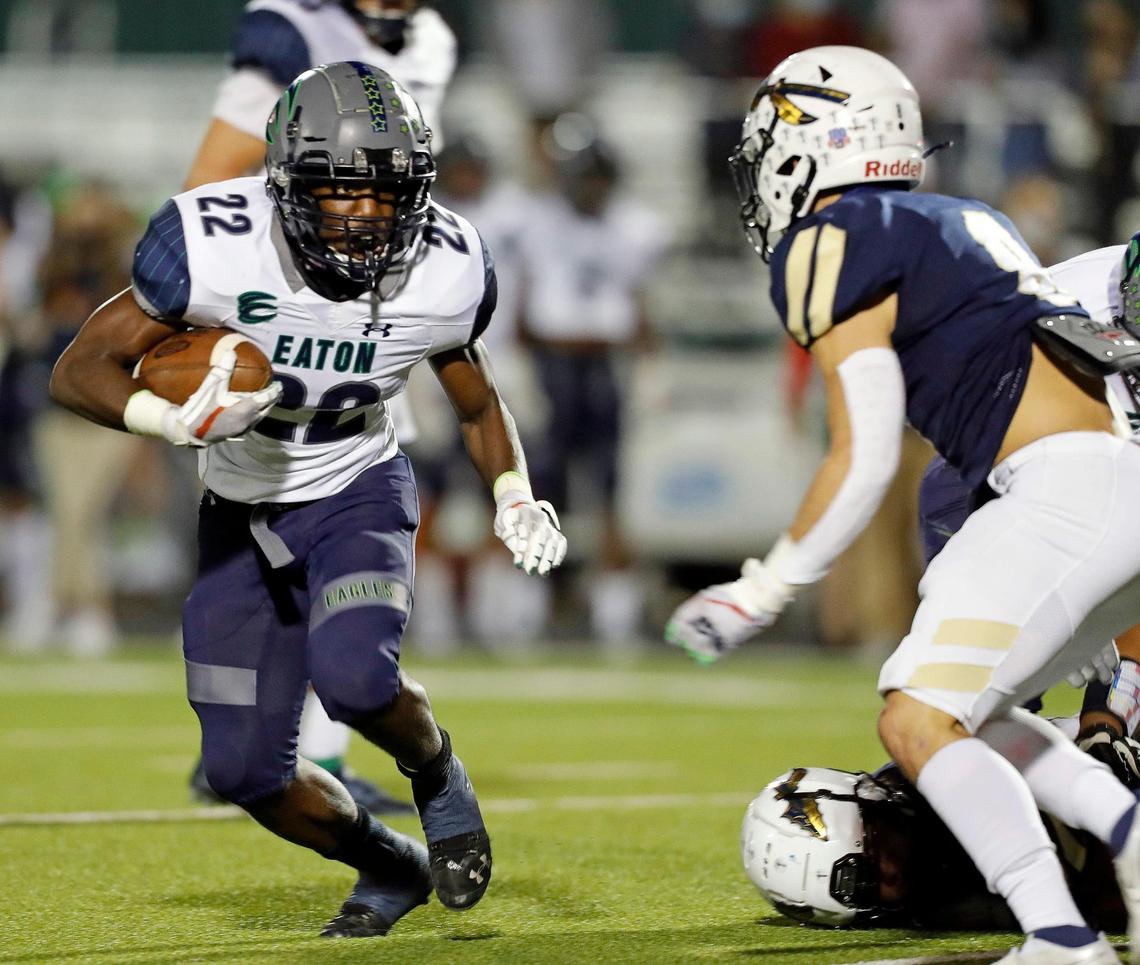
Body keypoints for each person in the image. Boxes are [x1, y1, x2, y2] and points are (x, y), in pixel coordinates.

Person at [50, 63, 567, 937]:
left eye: (386, 192)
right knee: (244, 772)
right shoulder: (212, 242)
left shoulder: (444, 265)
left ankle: (436, 769)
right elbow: (78, 369)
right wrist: (173, 421)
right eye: (338, 188)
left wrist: (514, 492)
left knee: (359, 679)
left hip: (354, 488)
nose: (366, 214)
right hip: (239, 514)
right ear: (287, 178)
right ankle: (388, 864)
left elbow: (476, 401)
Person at [665, 45, 1140, 964]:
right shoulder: (965, 216)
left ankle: (1061, 937)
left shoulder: (831, 238)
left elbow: (865, 449)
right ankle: (1123, 832)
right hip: (1110, 473)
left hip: (1068, 485)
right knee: (978, 707)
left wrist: (762, 589)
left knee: (916, 718)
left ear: (805, 150)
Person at [183, 0, 457, 815]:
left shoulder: (433, 37)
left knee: (358, 515)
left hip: (380, 305)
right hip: (300, 309)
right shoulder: (289, 26)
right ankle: (272, 738)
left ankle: (311, 741)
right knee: (284, 523)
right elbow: (212, 184)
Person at [743, 753, 1133, 934]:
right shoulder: (943, 908)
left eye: (877, 849)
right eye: (864, 882)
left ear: (875, 802)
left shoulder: (941, 772)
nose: (891, 875)